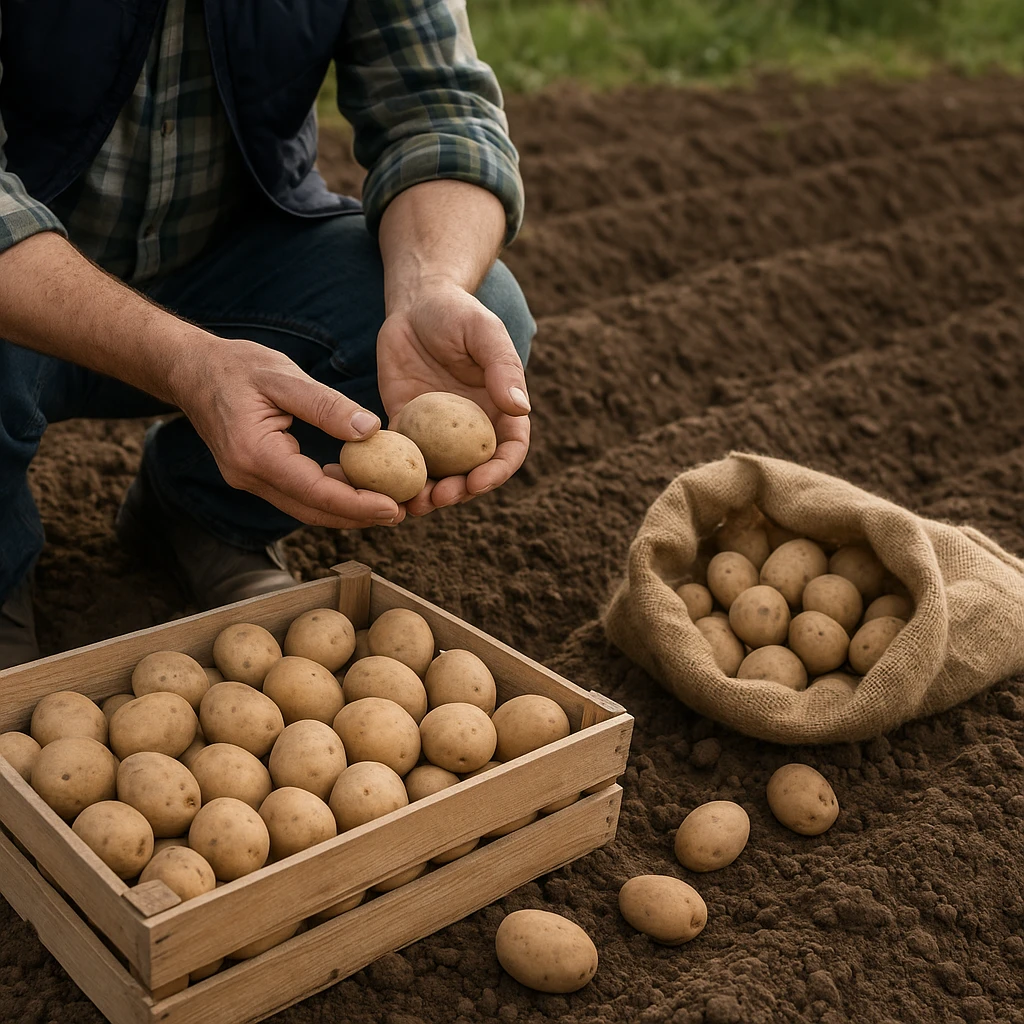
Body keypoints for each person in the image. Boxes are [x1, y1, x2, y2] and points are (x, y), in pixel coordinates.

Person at [0, 0, 535, 669]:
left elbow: (439, 109)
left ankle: (202, 511)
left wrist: (430, 285)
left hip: (225, 269)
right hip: (19, 285)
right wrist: (184, 360)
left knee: (480, 305)